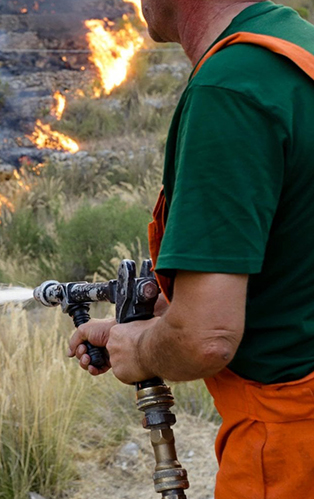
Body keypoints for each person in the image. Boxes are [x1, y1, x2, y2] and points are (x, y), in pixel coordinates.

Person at [66, 1, 314, 497]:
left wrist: (139, 348)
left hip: (290, 452)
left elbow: (207, 338)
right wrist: (164, 316)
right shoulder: (297, 48)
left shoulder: (229, 88)